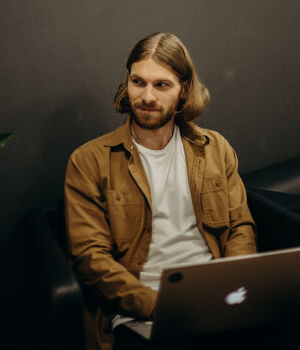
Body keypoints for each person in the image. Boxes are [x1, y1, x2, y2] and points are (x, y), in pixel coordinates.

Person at [64, 32, 257, 350]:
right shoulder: (89, 161)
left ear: (184, 90)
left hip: (216, 302)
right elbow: (90, 259)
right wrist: (160, 306)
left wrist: (231, 290)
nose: (147, 97)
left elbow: (241, 228)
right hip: (140, 313)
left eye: (162, 85)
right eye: (138, 82)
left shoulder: (216, 148)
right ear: (127, 81)